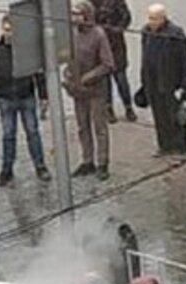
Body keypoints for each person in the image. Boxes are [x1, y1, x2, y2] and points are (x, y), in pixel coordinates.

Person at [0, 15, 52, 188]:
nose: (9, 34)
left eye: (12, 30)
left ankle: (40, 166)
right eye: (6, 30)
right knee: (8, 135)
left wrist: (43, 96)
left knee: (33, 132)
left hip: (26, 96)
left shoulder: (26, 49)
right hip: (6, 99)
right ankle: (7, 170)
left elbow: (38, 73)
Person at [64, 0, 115, 181]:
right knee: (82, 127)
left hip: (96, 90)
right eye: (73, 14)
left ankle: (102, 163)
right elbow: (68, 56)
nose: (74, 17)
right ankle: (87, 161)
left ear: (87, 16)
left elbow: (108, 64)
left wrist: (88, 77)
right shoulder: (72, 34)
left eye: (77, 14)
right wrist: (68, 73)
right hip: (78, 90)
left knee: (99, 127)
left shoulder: (98, 35)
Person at [140, 4, 186, 157]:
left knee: (176, 116)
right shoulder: (146, 32)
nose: (151, 22)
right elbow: (144, 57)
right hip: (154, 81)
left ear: (163, 18)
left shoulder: (175, 34)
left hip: (172, 82)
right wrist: (144, 81)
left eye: (154, 19)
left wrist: (185, 85)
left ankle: (182, 146)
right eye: (149, 18)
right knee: (160, 116)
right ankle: (164, 145)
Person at [92, 0, 136, 124]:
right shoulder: (93, 2)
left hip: (116, 44)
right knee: (105, 80)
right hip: (100, 44)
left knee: (121, 79)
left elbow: (126, 16)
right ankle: (108, 108)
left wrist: (118, 29)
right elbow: (89, 18)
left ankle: (128, 106)